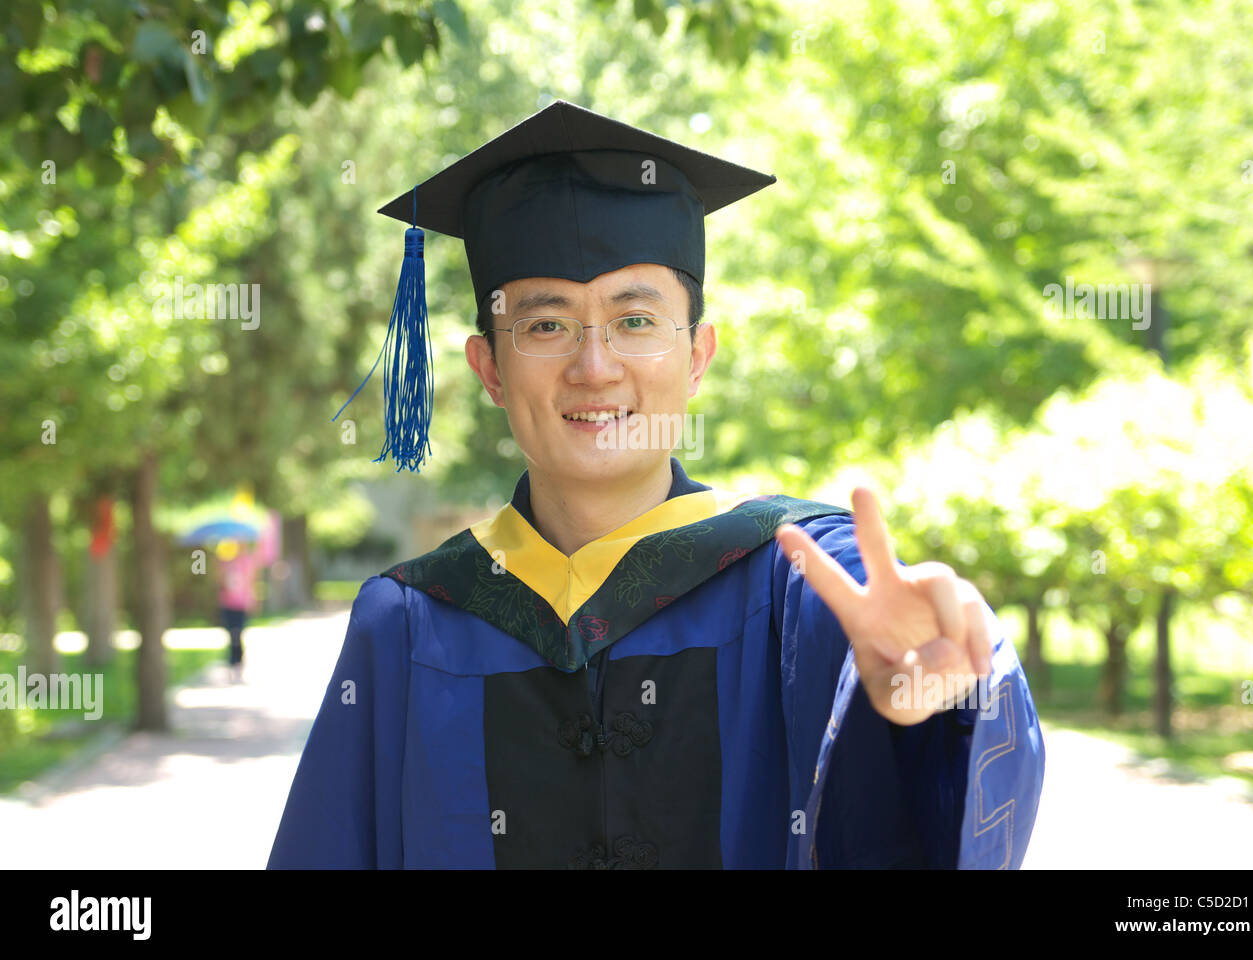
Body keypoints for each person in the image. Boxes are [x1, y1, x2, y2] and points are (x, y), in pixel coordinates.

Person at [268, 100, 1046, 869]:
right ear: (489, 370)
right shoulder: (407, 626)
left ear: (699, 355)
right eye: (546, 325)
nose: (594, 367)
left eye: (636, 321)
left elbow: (925, 785)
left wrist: (933, 711)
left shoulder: (799, 581)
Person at [217, 541, 258, 684]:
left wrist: (252, 600)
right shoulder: (225, 562)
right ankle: (231, 663)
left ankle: (238, 663)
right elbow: (220, 581)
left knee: (238, 633)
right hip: (228, 603)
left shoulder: (247, 562)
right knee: (231, 635)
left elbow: (251, 582)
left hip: (241, 604)